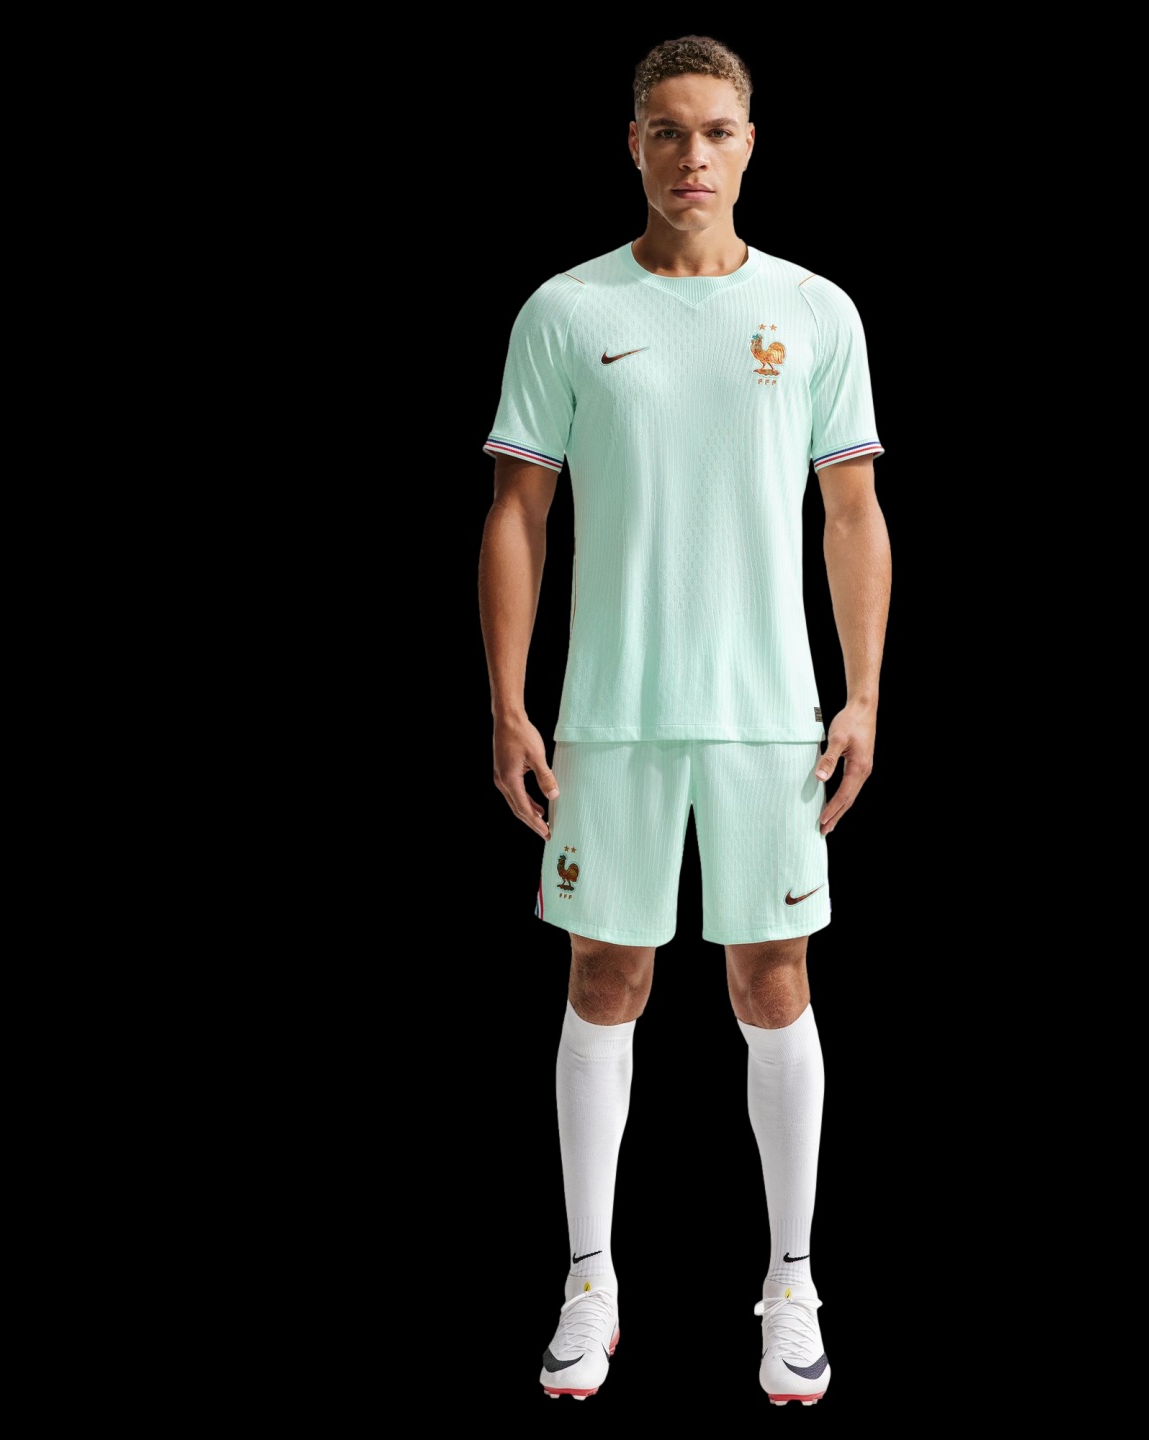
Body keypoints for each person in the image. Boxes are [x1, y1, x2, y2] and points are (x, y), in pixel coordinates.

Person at [477, 34, 891, 1406]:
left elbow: (851, 513)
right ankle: (589, 1280)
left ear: (751, 144)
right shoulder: (566, 308)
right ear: (634, 145)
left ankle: (794, 1281)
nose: (692, 155)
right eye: (668, 131)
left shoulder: (815, 311)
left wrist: (863, 693)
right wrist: (509, 702)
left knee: (775, 982)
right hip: (611, 712)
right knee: (606, 979)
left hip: (769, 714)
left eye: (716, 131)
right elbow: (517, 513)